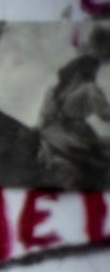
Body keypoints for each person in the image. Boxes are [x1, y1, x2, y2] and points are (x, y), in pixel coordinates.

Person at [37, 26, 110, 188]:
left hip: (53, 127)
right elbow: (104, 113)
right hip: (66, 131)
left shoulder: (59, 87)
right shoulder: (88, 85)